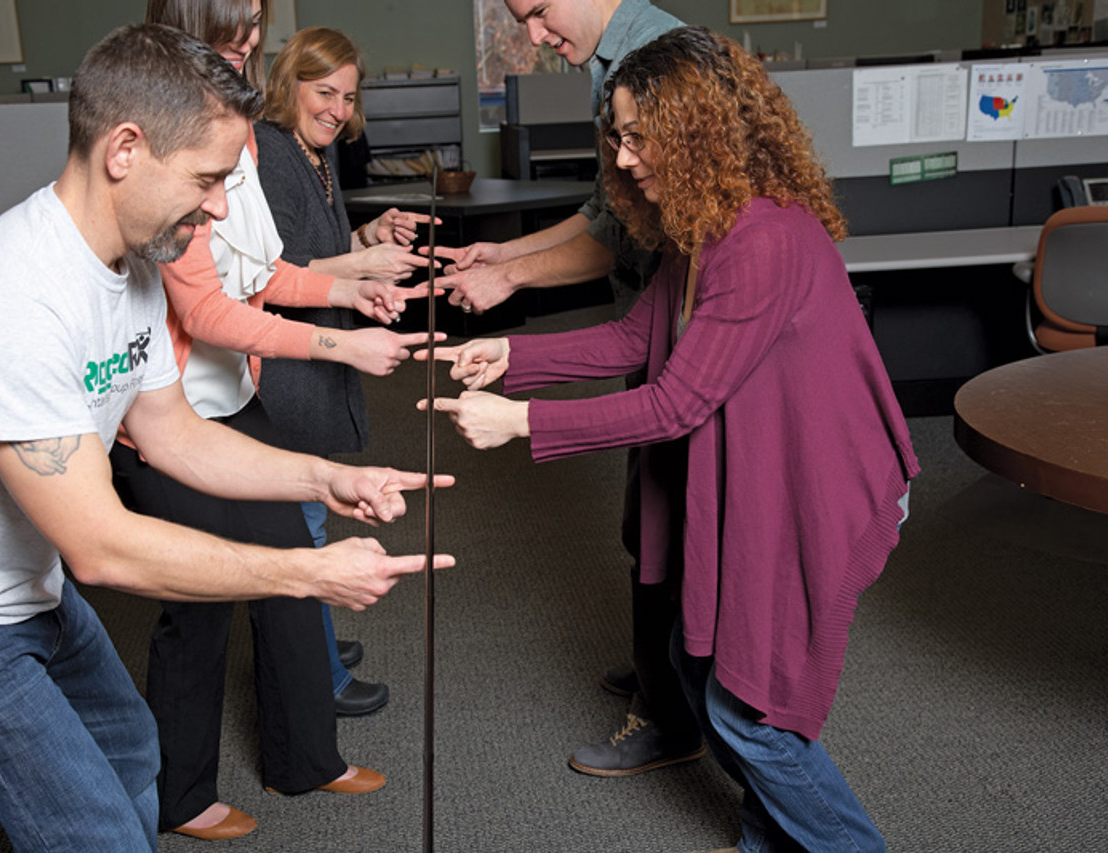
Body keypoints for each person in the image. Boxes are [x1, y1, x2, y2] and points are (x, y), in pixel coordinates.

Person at [0, 24, 453, 853]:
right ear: (125, 149)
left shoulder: (129, 267)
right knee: (93, 830)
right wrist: (307, 572)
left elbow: (174, 434)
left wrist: (323, 480)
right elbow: (100, 545)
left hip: (26, 587)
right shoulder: (9, 300)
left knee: (133, 756)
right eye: (207, 179)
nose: (221, 207)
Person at [425, 26, 919, 852]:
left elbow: (675, 402)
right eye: (617, 136)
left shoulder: (762, 238)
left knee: (752, 714)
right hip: (766, 468)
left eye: (638, 137)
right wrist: (514, 355)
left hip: (823, 485)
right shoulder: (702, 224)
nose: (622, 160)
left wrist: (522, 420)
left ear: (698, 132)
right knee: (698, 667)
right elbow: (635, 341)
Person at [109, 1, 439, 840]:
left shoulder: (238, 130)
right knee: (205, 594)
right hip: (164, 410)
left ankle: (306, 757)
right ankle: (179, 794)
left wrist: (346, 292)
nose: (251, 40)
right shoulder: (167, 141)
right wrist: (338, 343)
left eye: (255, 23)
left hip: (231, 396)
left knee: (294, 560)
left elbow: (263, 272)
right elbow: (210, 308)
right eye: (234, 25)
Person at [442, 0, 701, 779]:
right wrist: (503, 254)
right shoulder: (610, 70)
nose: (530, 34)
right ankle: (664, 662)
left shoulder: (653, 64)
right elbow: (606, 216)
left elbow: (615, 239)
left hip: (681, 347)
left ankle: (673, 706)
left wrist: (509, 281)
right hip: (649, 327)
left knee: (667, 524)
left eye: (536, 10)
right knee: (650, 518)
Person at [254, 26, 440, 718]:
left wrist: (366, 235)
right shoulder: (273, 156)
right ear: (290, 84)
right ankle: (320, 672)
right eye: (323, 91)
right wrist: (360, 268)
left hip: (311, 355)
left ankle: (318, 640)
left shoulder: (313, 151)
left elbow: (311, 248)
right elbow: (269, 282)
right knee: (302, 523)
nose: (336, 108)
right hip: (284, 362)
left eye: (347, 96)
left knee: (306, 515)